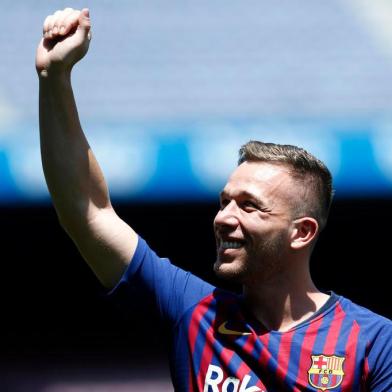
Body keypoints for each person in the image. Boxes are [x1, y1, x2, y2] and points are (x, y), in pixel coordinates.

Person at [36, 8, 392, 392]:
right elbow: (86, 212)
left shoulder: (373, 342)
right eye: (225, 202)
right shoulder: (194, 312)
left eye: (249, 206)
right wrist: (54, 77)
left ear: (301, 232)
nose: (223, 218)